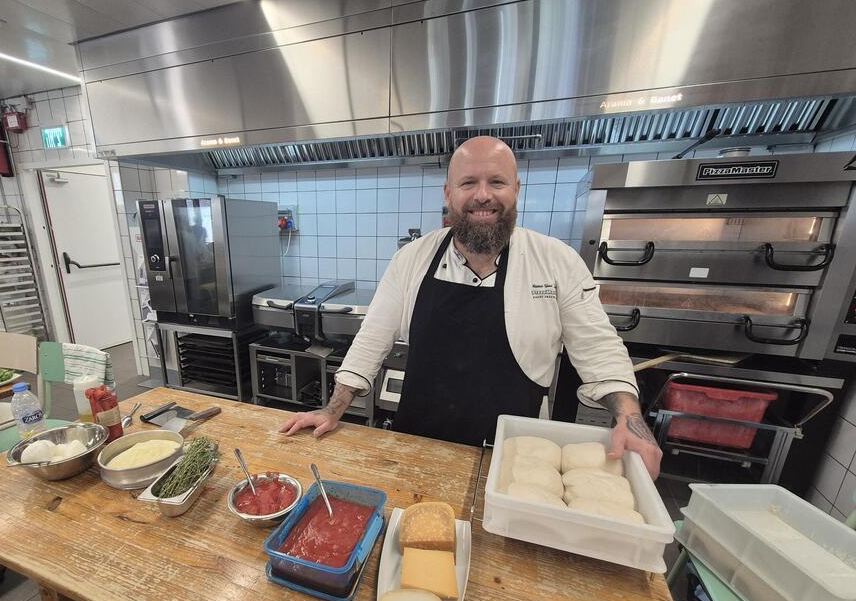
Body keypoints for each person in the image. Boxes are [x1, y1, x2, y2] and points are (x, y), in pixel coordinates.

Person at [278, 136, 662, 477]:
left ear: (516, 188)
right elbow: (370, 341)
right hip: (418, 448)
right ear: (449, 193)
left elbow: (598, 348)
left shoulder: (556, 261)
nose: (483, 195)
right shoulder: (412, 258)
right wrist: (332, 409)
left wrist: (630, 419)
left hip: (518, 458)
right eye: (468, 183)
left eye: (497, 182)